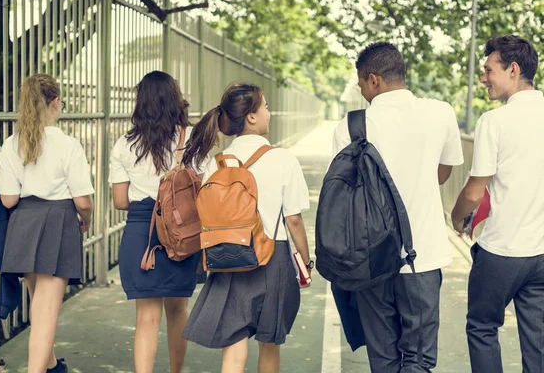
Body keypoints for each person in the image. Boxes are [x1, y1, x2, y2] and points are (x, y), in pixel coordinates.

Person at [332, 42, 464, 372]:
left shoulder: (349, 126)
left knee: (384, 358)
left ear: (373, 79)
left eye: (361, 82)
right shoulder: (441, 112)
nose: (361, 89)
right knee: (419, 358)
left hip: (371, 262)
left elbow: (344, 198)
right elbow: (444, 172)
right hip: (423, 258)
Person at [180, 83, 312, 373]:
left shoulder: (217, 163)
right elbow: (293, 220)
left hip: (229, 256)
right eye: (264, 107)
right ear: (251, 117)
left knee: (234, 341)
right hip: (272, 258)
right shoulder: (282, 158)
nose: (269, 113)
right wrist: (305, 260)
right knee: (269, 343)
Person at [451, 35, 544, 373]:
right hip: (541, 253)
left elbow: (475, 192)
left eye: (489, 70)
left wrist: (456, 217)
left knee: (482, 328)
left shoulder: (495, 122)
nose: (484, 78)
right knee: (538, 339)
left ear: (513, 69)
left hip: (501, 252)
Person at [0, 74, 94, 373]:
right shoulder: (67, 145)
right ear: (55, 102)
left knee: (39, 306)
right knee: (46, 315)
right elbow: (83, 200)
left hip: (24, 225)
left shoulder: (12, 143)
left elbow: (8, 199)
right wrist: (86, 220)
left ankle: (52, 366)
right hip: (58, 224)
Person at [109, 71, 202, 373]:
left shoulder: (125, 145)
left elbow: (120, 201)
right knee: (178, 310)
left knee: (146, 318)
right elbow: (205, 189)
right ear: (175, 99)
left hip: (141, 232)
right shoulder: (191, 141)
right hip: (182, 231)